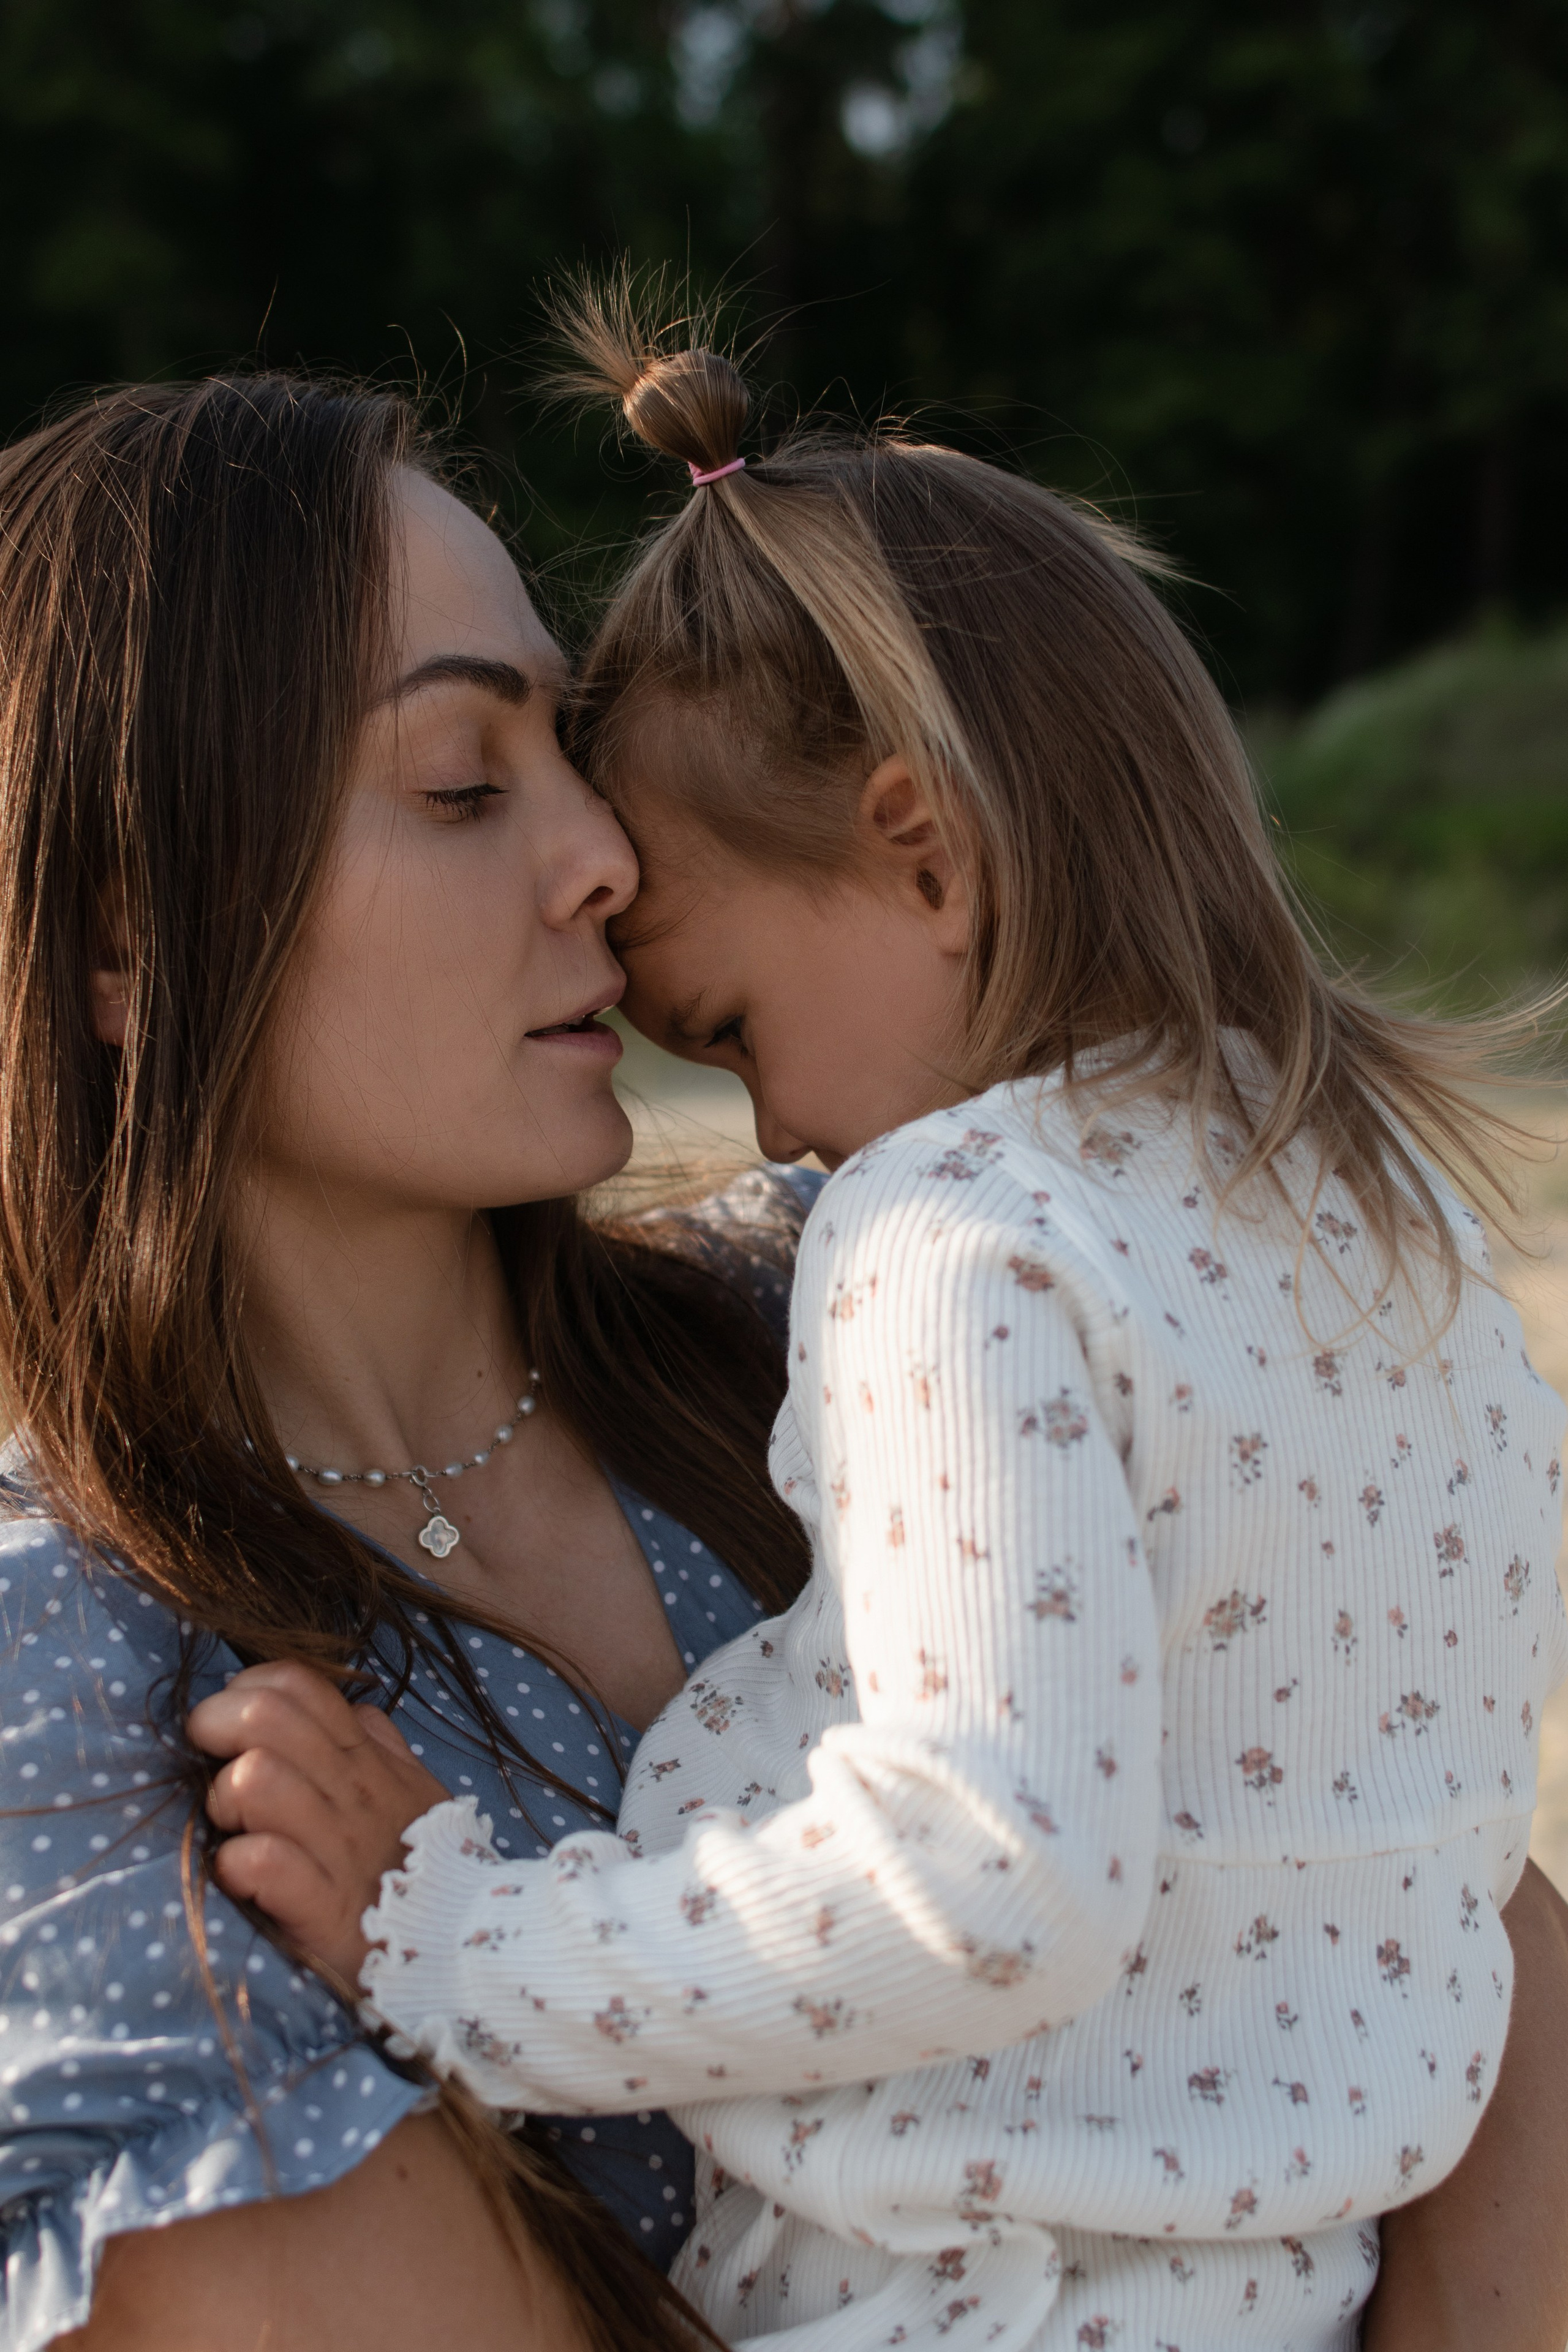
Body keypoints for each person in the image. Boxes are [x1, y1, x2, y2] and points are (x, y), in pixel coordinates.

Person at [195, 297, 1568, 2351]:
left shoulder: (951, 1235)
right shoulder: (1387, 1226)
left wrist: (457, 1940)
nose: (780, 1137)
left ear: (922, 848)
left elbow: (978, 1874)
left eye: (733, 1032)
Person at [0, 371, 826, 2352]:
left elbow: (1415, 1908)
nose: (603, 856)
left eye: (578, 754)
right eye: (464, 783)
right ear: (120, 944)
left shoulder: (856, 1315)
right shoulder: (69, 1677)